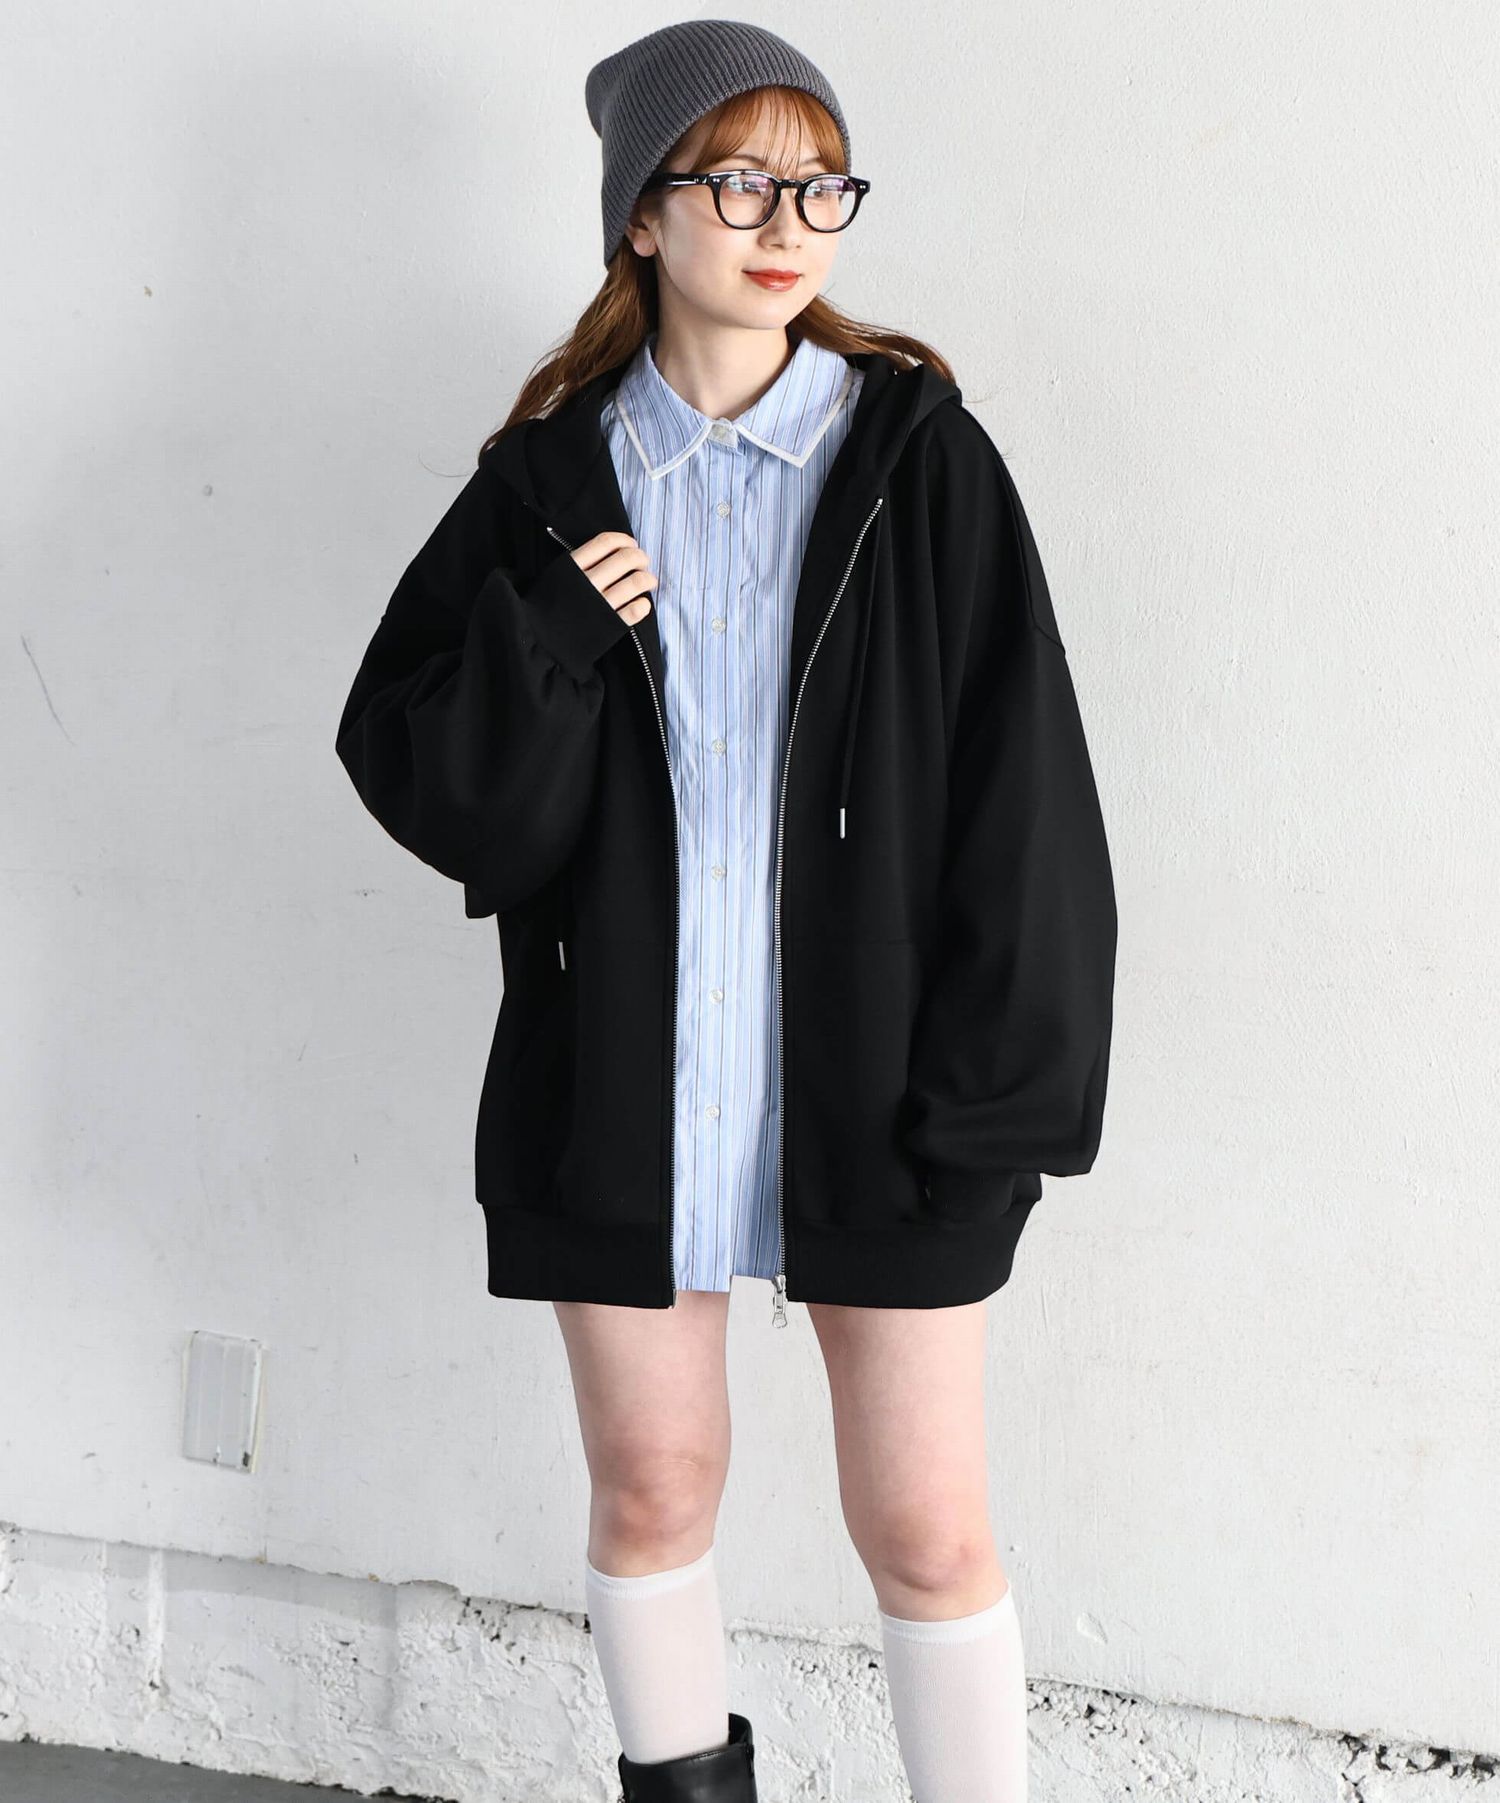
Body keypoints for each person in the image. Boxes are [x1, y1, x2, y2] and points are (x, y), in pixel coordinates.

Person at [335, 19, 1118, 1801]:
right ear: (642, 214)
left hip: (887, 1089)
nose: (787, 225)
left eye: (820, 186)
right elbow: (431, 784)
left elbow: (1029, 805)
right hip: (626, 1083)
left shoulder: (922, 465)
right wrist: (548, 640)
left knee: (927, 1528)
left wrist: (1001, 1105)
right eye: (742, 182)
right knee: (651, 1494)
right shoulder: (545, 489)